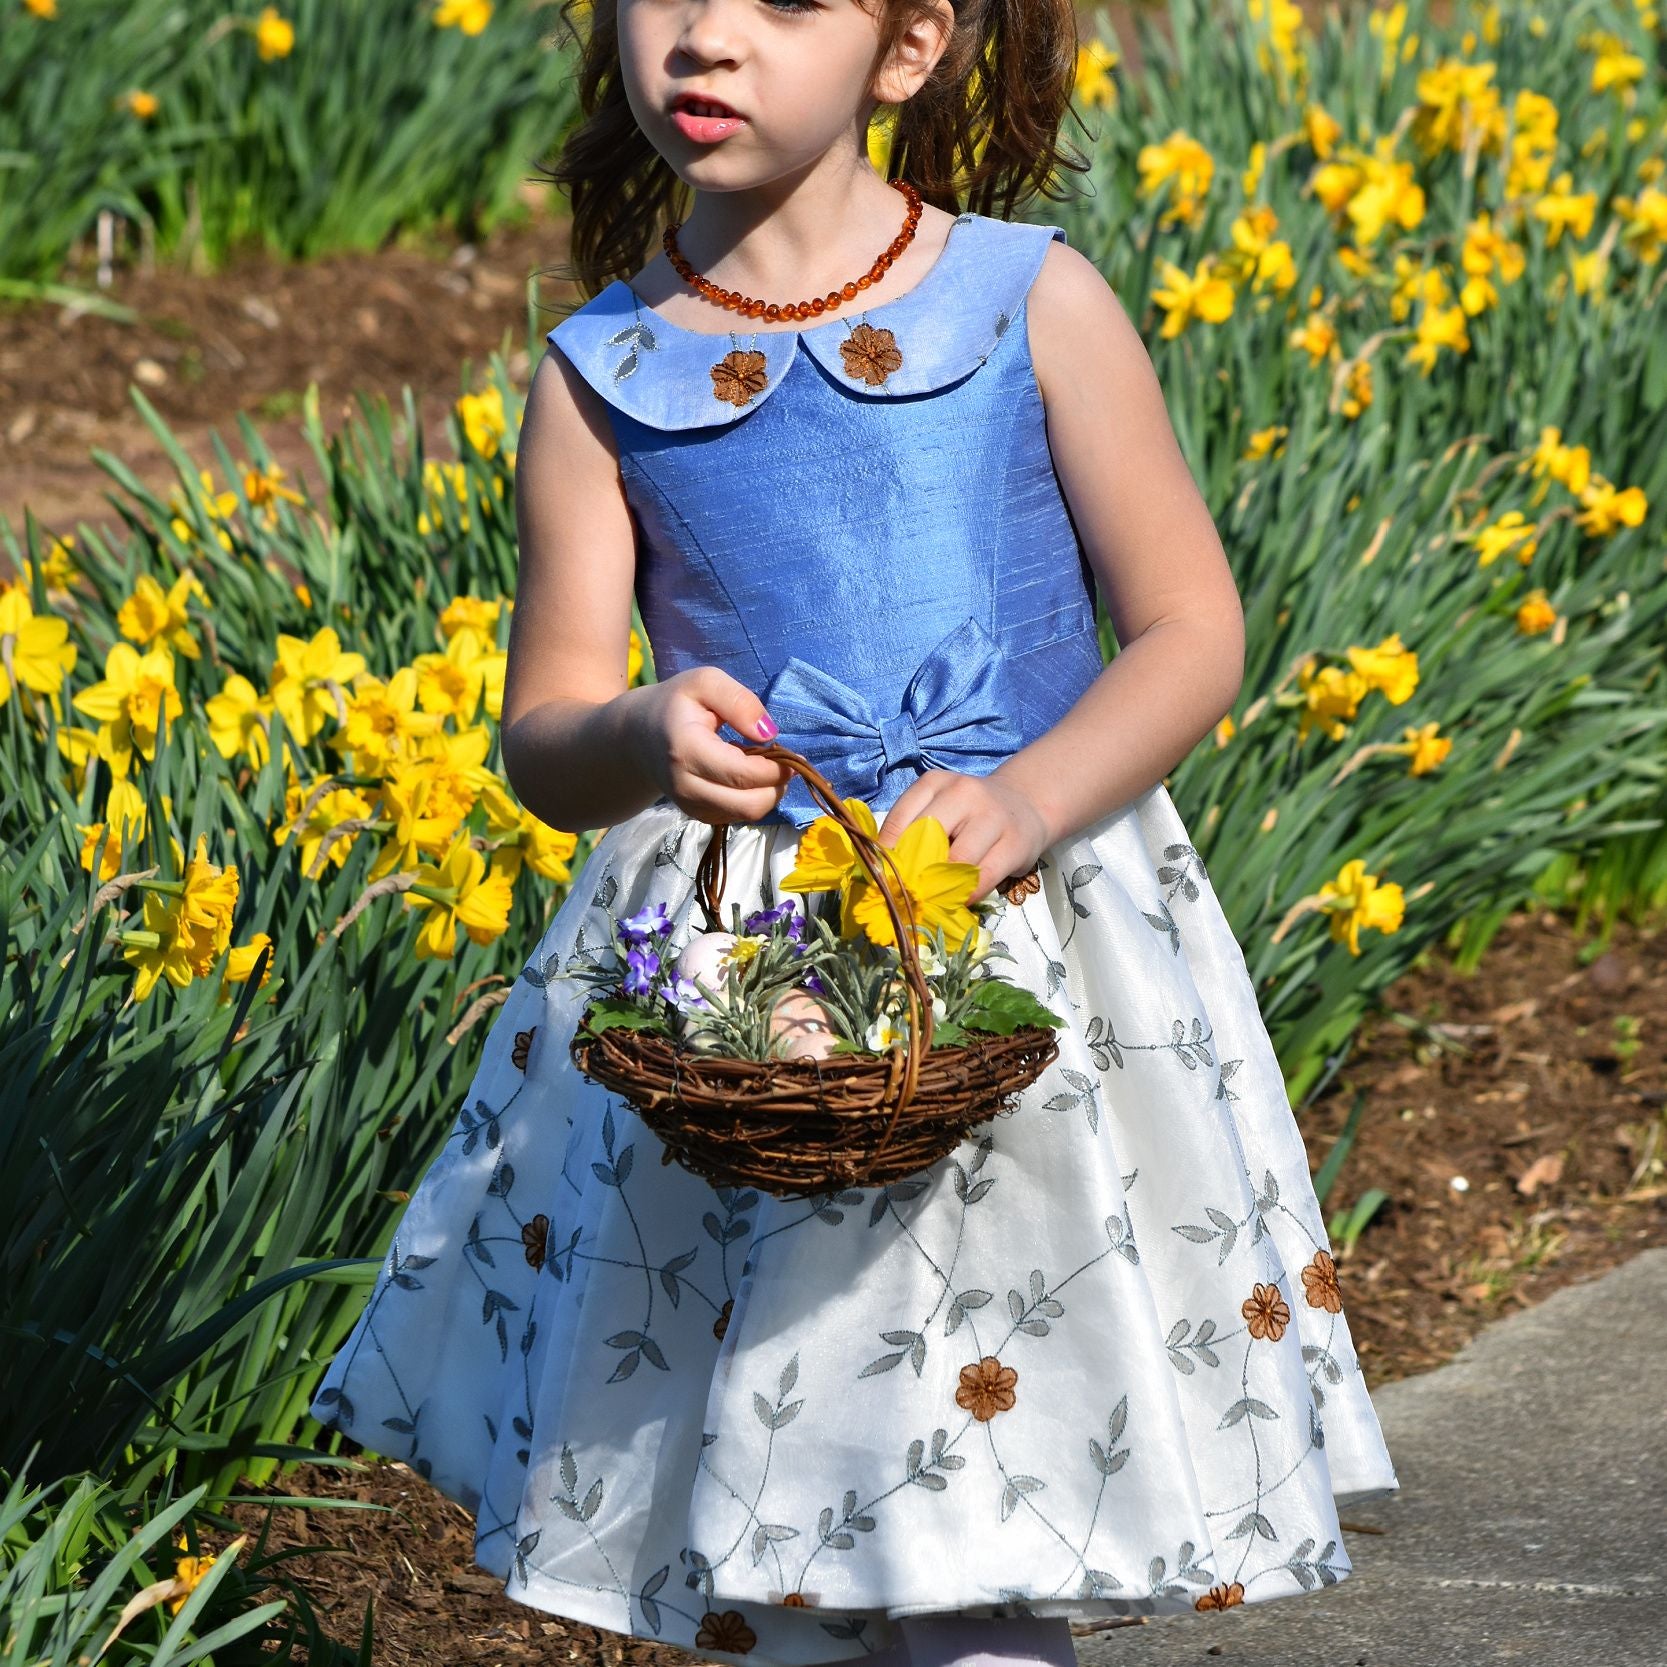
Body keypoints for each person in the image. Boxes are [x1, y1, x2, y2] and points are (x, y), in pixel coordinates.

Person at [307, 0, 1400, 1662]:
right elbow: (543, 740)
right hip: (756, 972)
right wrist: (643, 733)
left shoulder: (1028, 300)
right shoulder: (604, 371)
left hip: (1022, 943)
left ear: (909, 49)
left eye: (780, 4)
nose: (702, 41)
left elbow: (1192, 628)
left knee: (988, 1496)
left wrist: (1030, 799)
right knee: (792, 1494)